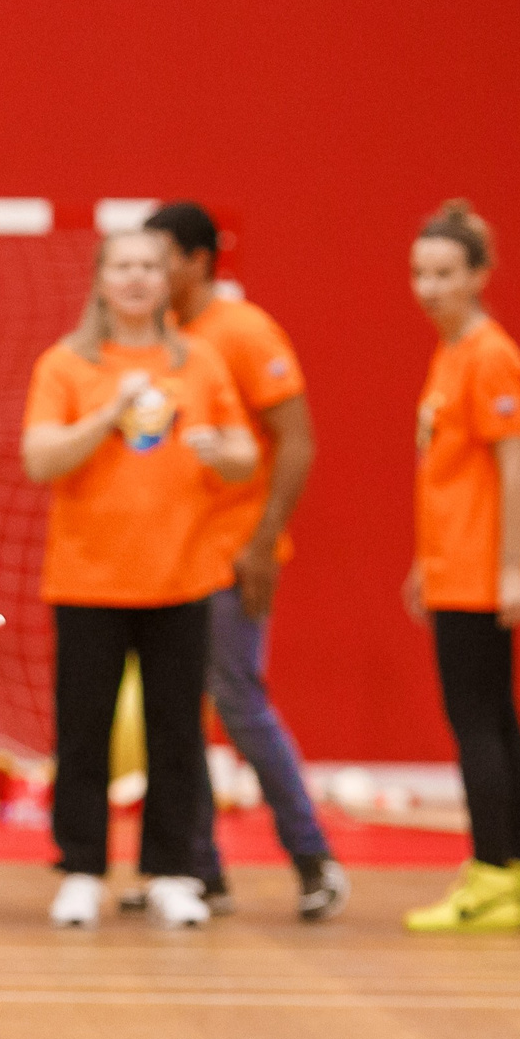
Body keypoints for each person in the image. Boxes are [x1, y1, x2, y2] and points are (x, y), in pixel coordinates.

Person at [22, 230, 257, 928]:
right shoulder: (67, 363)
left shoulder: (202, 360)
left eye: (150, 266)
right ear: (100, 279)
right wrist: (107, 413)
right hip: (88, 579)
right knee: (84, 731)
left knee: (177, 731)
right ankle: (83, 869)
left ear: (167, 280)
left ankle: (172, 869)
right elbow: (40, 459)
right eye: (123, 265)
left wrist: (225, 451)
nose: (136, 278)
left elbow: (245, 453)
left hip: (182, 577)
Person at [141, 202, 348, 921]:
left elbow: (297, 438)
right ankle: (200, 868)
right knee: (176, 713)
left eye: (160, 255)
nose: (147, 271)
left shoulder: (243, 329)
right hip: (169, 556)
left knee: (238, 697)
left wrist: (263, 540)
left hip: (233, 552)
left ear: (198, 260)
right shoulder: (156, 338)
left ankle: (313, 857)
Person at [401, 201, 520, 933]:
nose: (429, 287)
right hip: (454, 564)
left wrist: (511, 567)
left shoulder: (492, 353)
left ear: (479, 276)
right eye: (420, 273)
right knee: (499, 718)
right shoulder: (451, 350)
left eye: (445, 273)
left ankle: (490, 872)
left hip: (482, 571)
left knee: (476, 725)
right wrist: (424, 561)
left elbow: (515, 463)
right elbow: (452, 473)